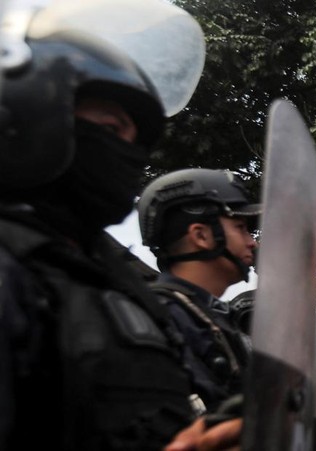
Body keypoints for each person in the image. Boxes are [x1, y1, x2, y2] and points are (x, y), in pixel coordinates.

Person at [0, 1, 205, 448]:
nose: (129, 158)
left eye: (136, 144)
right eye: (112, 129)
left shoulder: (104, 281)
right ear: (23, 113)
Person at [137, 168, 259, 413]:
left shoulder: (208, 315)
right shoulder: (160, 318)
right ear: (201, 235)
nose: (252, 242)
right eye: (240, 228)